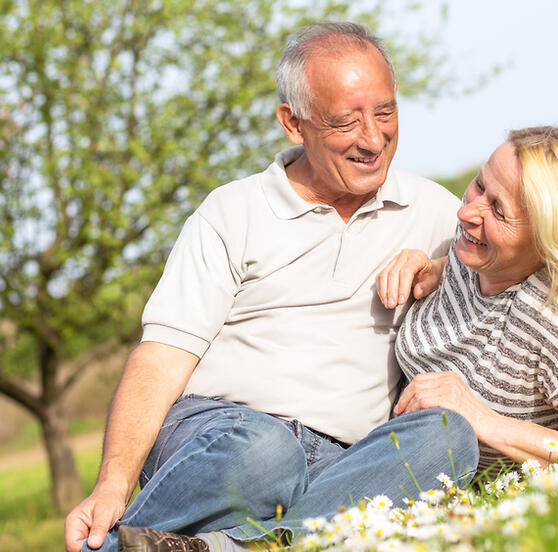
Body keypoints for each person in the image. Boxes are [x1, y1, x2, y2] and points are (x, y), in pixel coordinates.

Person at [65, 22, 479, 552]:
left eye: (385, 112)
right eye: (346, 121)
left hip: (344, 457)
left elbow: (516, 271)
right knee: (269, 452)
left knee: (447, 437)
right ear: (293, 123)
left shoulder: (435, 212)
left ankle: (229, 546)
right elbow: (162, 357)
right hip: (226, 435)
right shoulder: (230, 211)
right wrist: (111, 485)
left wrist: (444, 267)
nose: (373, 139)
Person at [377, 126, 558, 473]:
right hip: (382, 450)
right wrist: (432, 266)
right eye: (479, 184)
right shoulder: (472, 260)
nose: (467, 213)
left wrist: (482, 419)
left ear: (550, 240)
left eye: (499, 210)